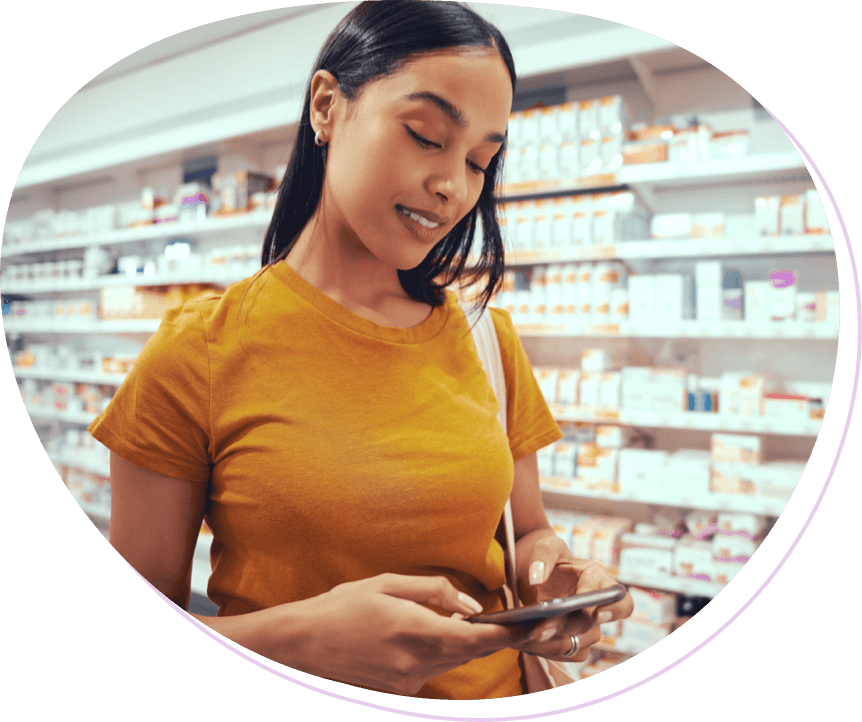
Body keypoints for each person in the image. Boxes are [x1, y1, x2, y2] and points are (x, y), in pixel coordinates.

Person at [89, 0, 633, 700]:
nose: (453, 186)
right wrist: (294, 641)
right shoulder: (200, 349)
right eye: (424, 135)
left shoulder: (485, 337)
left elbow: (528, 532)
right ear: (327, 106)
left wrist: (554, 573)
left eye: (479, 161)